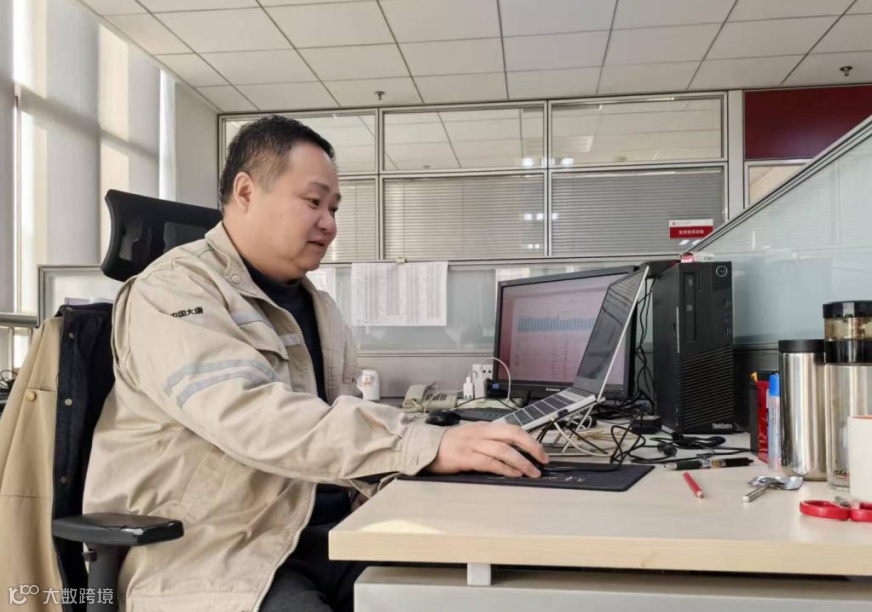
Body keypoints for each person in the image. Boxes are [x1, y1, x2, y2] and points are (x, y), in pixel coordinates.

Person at [83, 115, 548, 612]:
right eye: (313, 202)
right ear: (246, 192)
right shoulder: (173, 291)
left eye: (334, 207)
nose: (329, 223)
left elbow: (335, 427)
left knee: (488, 586)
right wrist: (420, 443)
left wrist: (437, 457)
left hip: (328, 534)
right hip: (218, 551)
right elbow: (252, 417)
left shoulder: (319, 307)